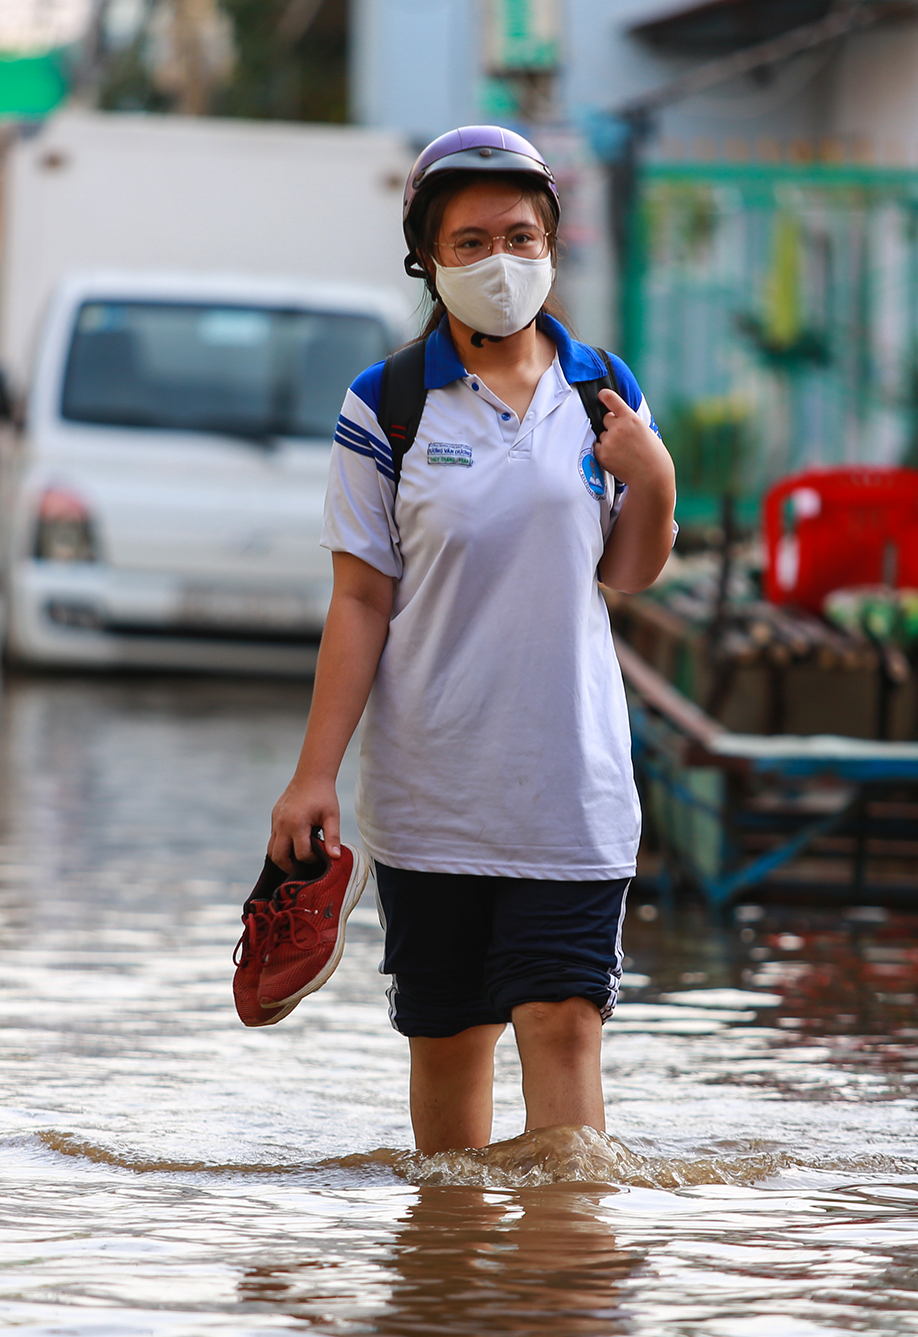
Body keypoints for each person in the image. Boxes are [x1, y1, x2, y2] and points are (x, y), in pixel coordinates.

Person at [266, 125, 677, 1153]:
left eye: (521, 234)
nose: (501, 259)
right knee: (448, 1056)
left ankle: (560, 1294)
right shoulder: (387, 406)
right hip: (431, 792)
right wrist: (311, 777)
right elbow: (359, 602)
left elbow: (625, 571)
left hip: (570, 790)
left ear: (550, 243)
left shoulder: (601, 392)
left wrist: (655, 477)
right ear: (427, 257)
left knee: (562, 1030)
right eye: (470, 241)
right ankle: (446, 1289)